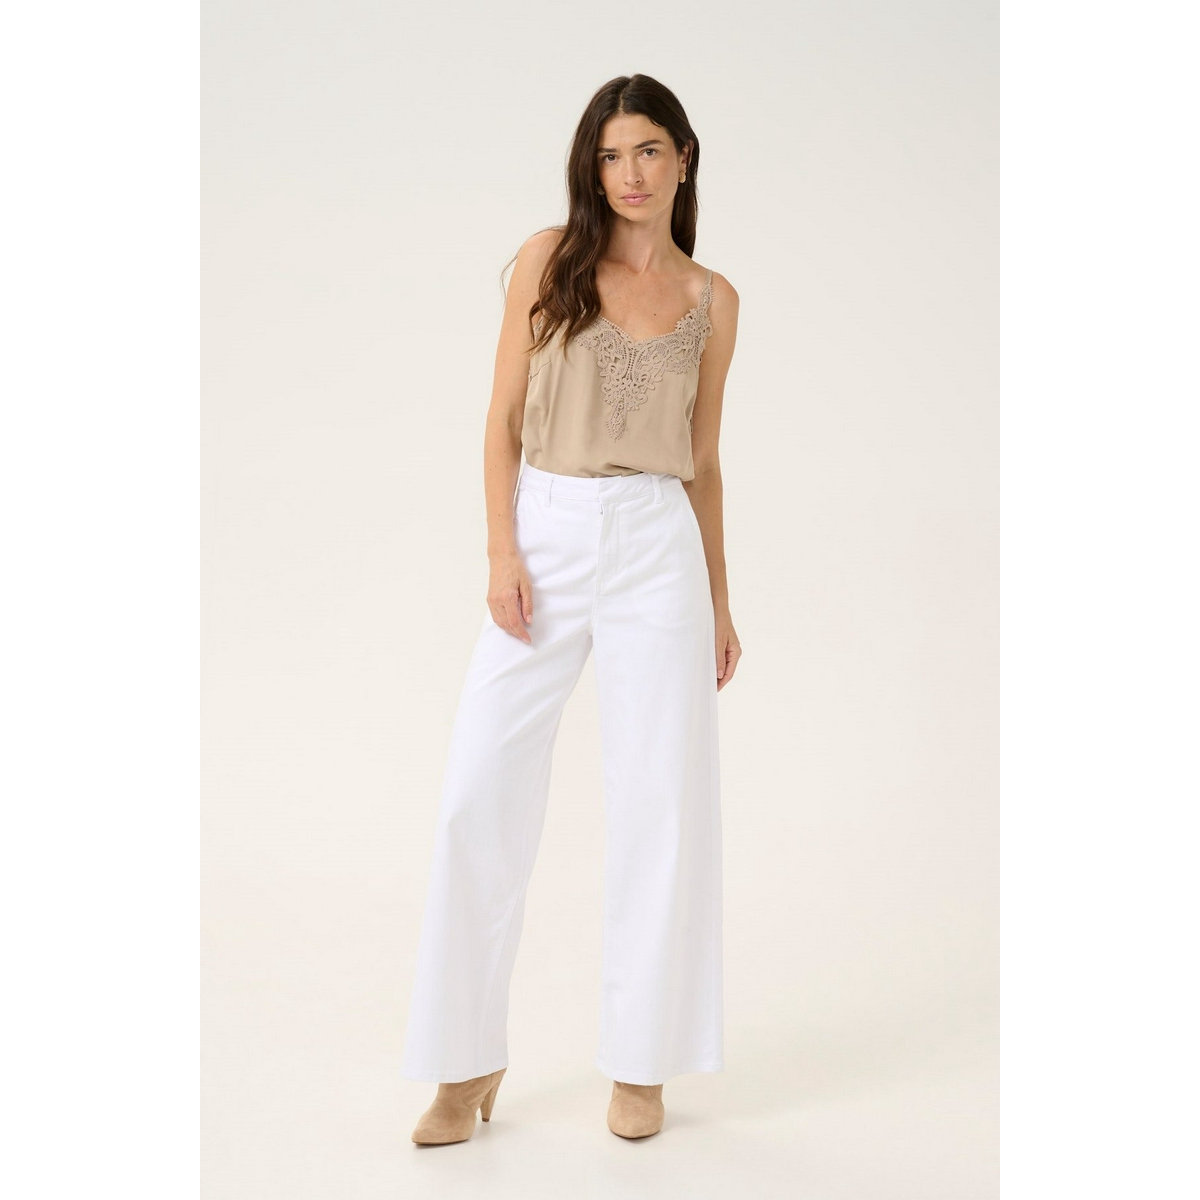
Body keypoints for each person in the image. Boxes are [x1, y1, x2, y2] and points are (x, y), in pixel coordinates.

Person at [401, 73, 742, 1145]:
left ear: (684, 158)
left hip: (657, 546)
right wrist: (502, 549)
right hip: (545, 530)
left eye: (648, 150)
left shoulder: (712, 301)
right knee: (478, 789)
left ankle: (641, 1063)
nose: (628, 173)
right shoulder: (549, 259)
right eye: (609, 154)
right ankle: (465, 1061)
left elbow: (702, 462)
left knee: (660, 801)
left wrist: (719, 599)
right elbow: (501, 418)